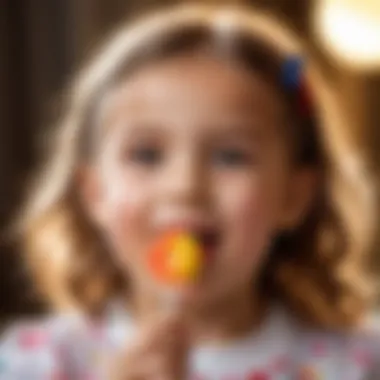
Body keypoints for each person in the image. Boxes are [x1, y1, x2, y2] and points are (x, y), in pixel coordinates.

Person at [0, 3, 378, 379]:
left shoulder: (355, 362)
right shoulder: (38, 363)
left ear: (294, 196)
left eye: (231, 156)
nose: (185, 187)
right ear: (94, 192)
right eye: (146, 155)